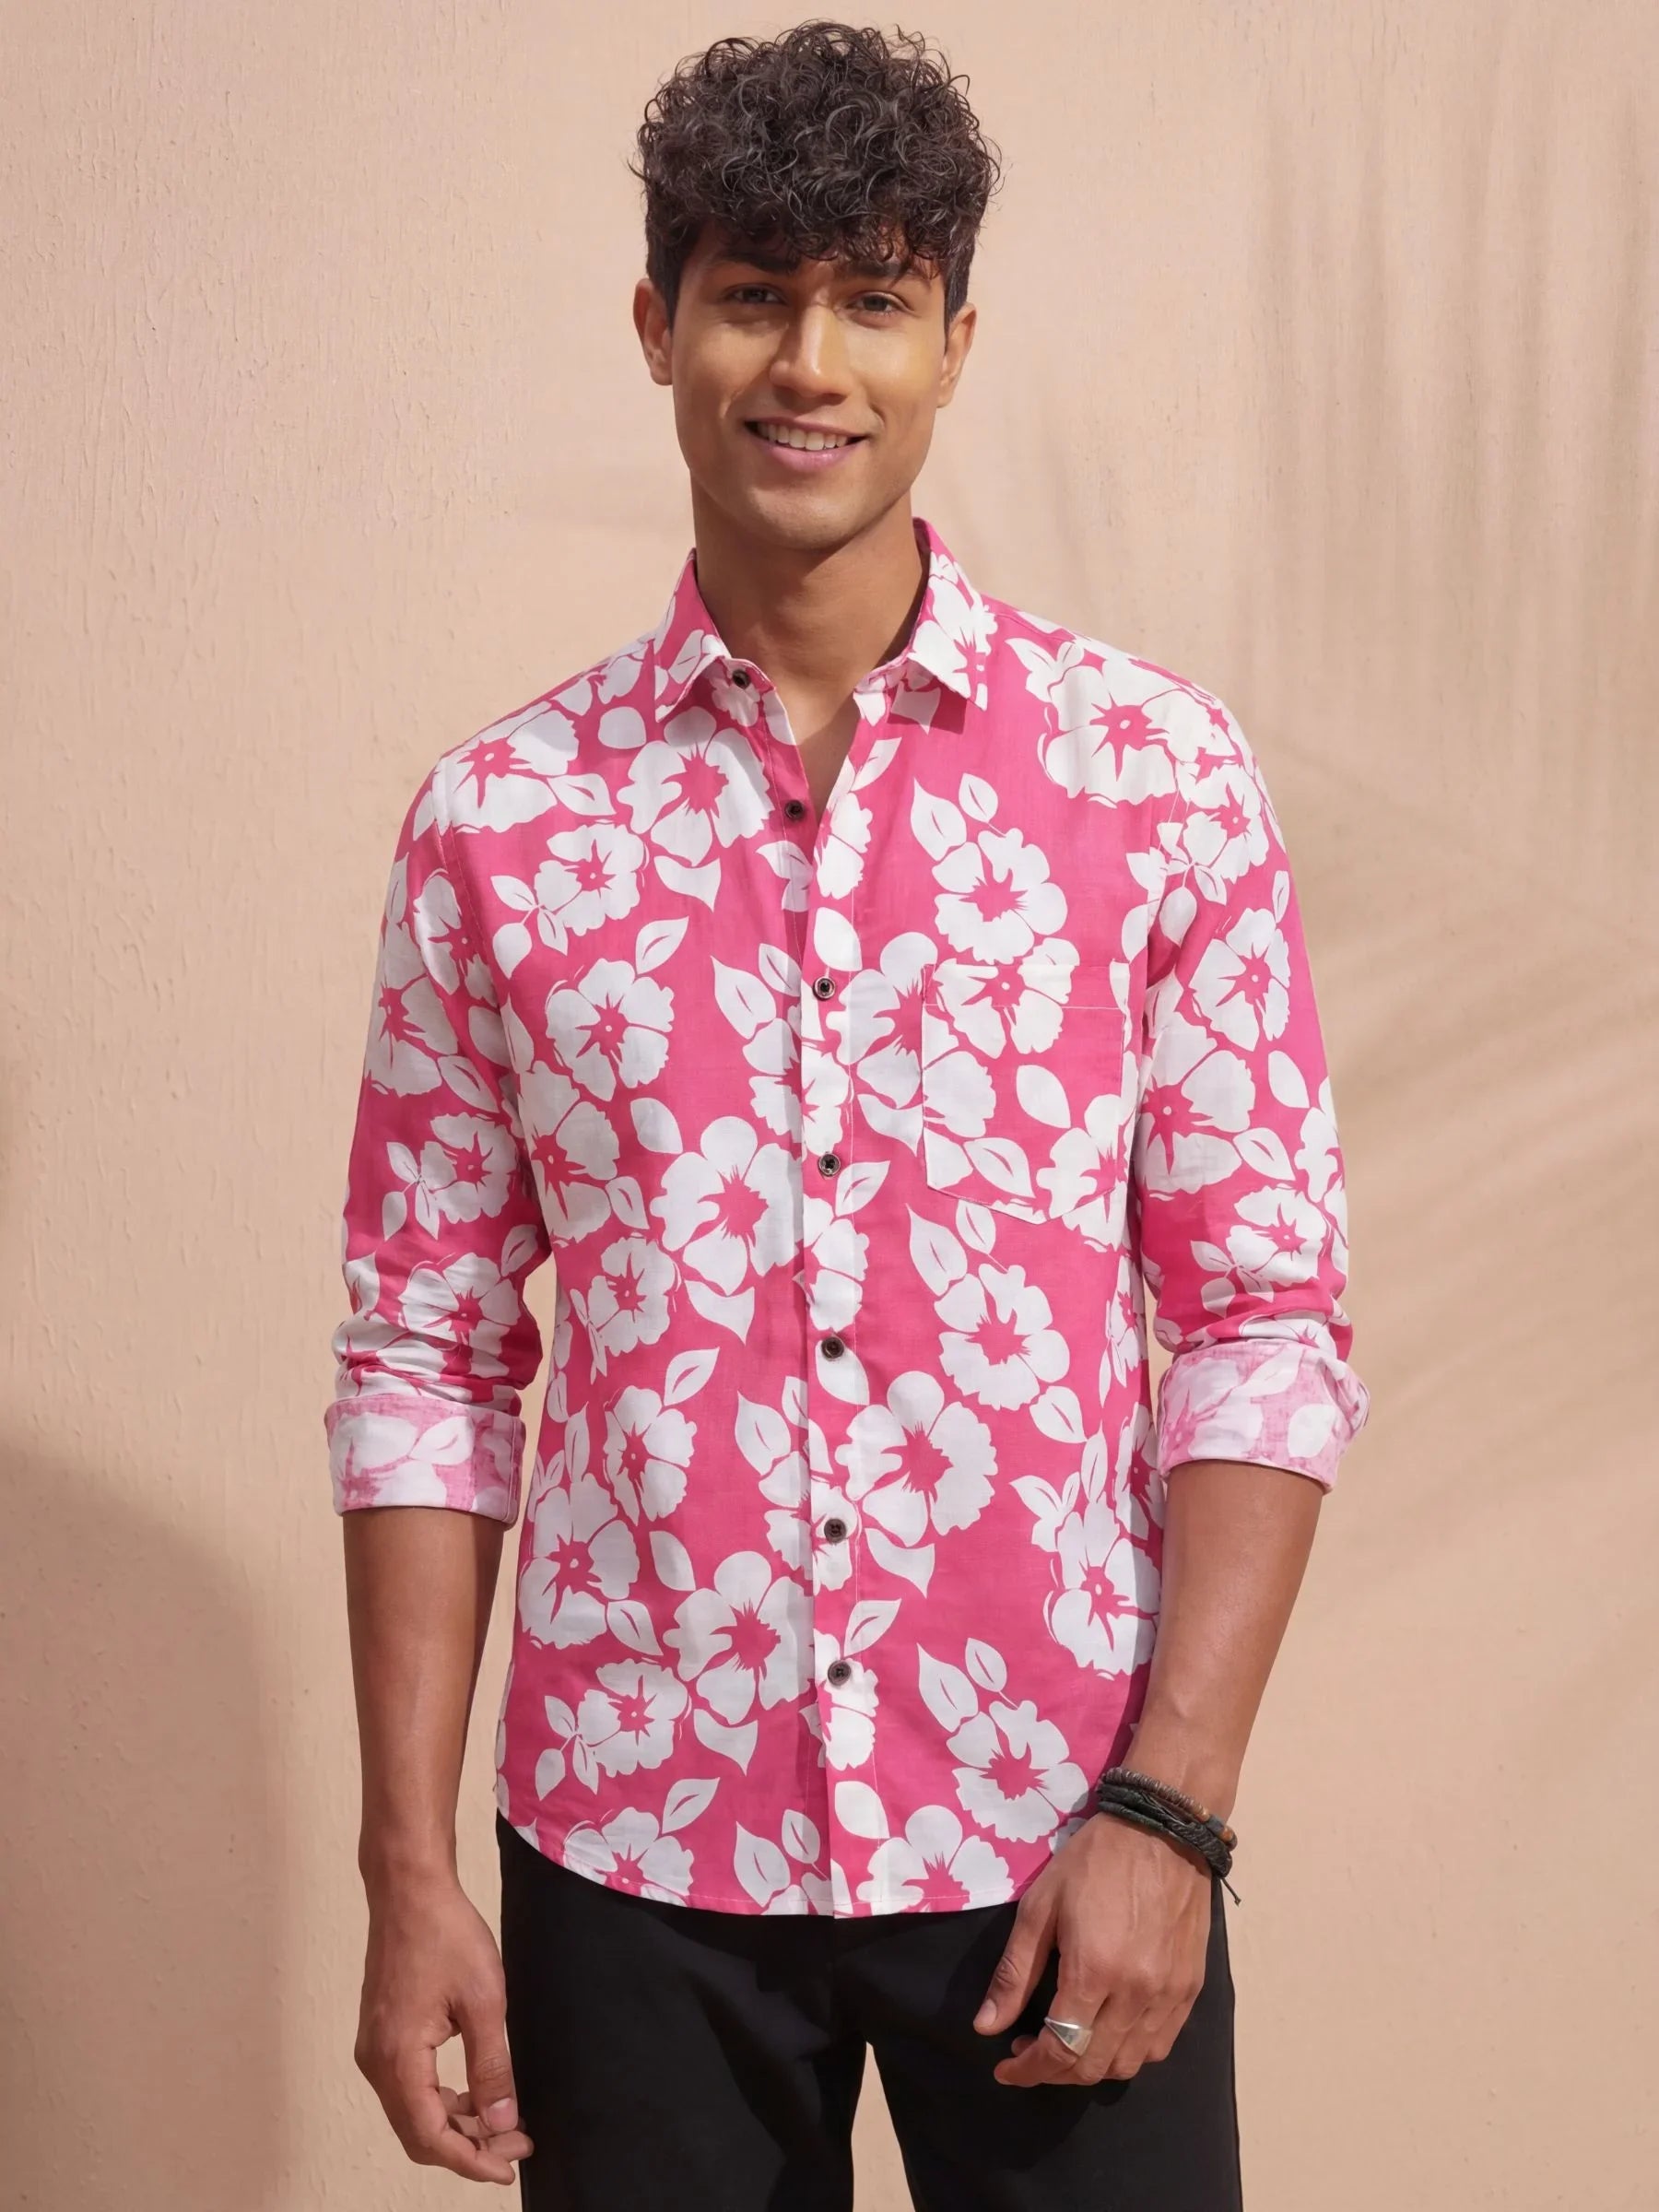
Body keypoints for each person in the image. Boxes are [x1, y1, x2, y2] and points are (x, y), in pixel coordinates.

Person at [324, 18, 1371, 2208]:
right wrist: (409, 1871)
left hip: (1061, 1831)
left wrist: (1172, 1810)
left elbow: (1264, 1323)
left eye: (874, 299)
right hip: (633, 1856)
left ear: (953, 343)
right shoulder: (499, 827)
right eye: (752, 294)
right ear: (658, 325)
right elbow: (425, 1361)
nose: (810, 364)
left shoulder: (1154, 785)